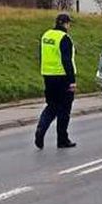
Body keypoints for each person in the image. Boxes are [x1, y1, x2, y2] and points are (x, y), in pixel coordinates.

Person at [35, 13, 77, 149]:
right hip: (62, 77)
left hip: (48, 76)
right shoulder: (64, 38)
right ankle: (62, 139)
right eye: (69, 23)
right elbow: (67, 61)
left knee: (51, 106)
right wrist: (72, 81)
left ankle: (41, 129)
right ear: (65, 24)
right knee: (64, 109)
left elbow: (41, 55)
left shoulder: (46, 35)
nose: (69, 26)